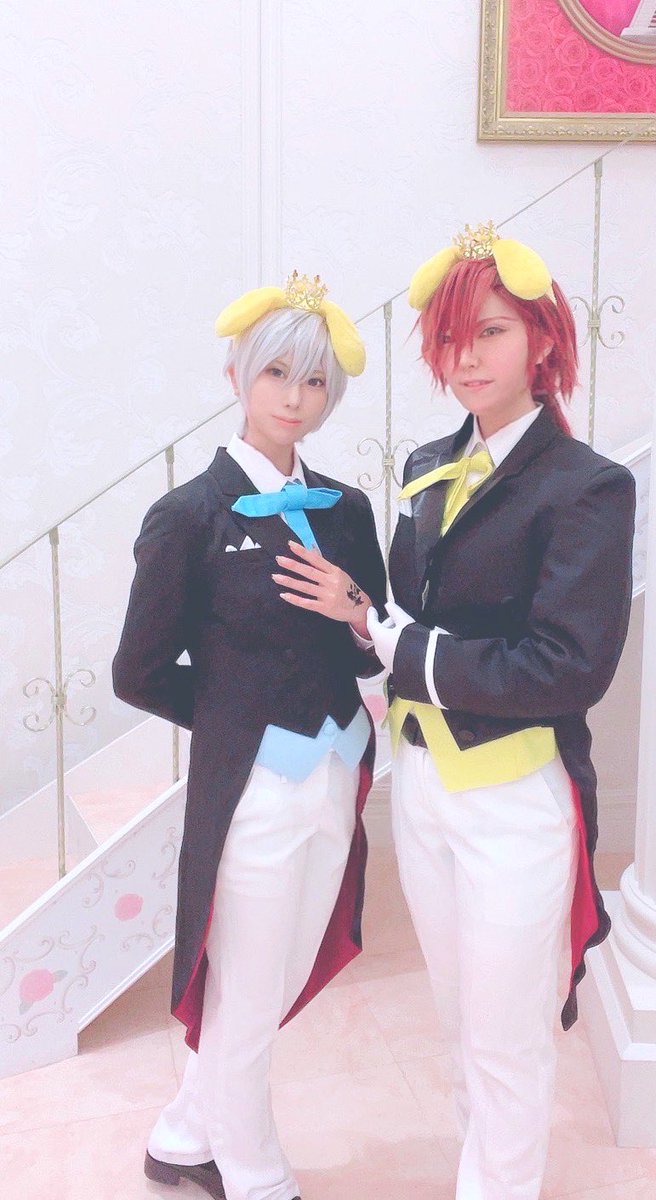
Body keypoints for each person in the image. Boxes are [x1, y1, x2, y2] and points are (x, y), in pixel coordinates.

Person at [367, 222, 636, 1200]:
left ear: (543, 339)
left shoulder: (587, 486)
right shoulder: (425, 465)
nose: (466, 358)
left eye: (489, 332)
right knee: (456, 1020)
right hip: (421, 786)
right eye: (449, 338)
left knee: (508, 1035)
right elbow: (405, 609)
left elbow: (567, 667)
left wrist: (407, 654)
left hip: (517, 796)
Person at [112, 270, 386, 1200]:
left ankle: (183, 1132)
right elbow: (139, 671)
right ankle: (254, 1170)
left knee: (279, 976)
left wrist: (356, 609)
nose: (294, 398)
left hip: (338, 769)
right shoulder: (187, 516)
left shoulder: (348, 510)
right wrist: (239, 719)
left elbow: (371, 645)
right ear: (237, 374)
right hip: (254, 792)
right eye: (276, 374)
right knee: (247, 985)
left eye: (313, 381)